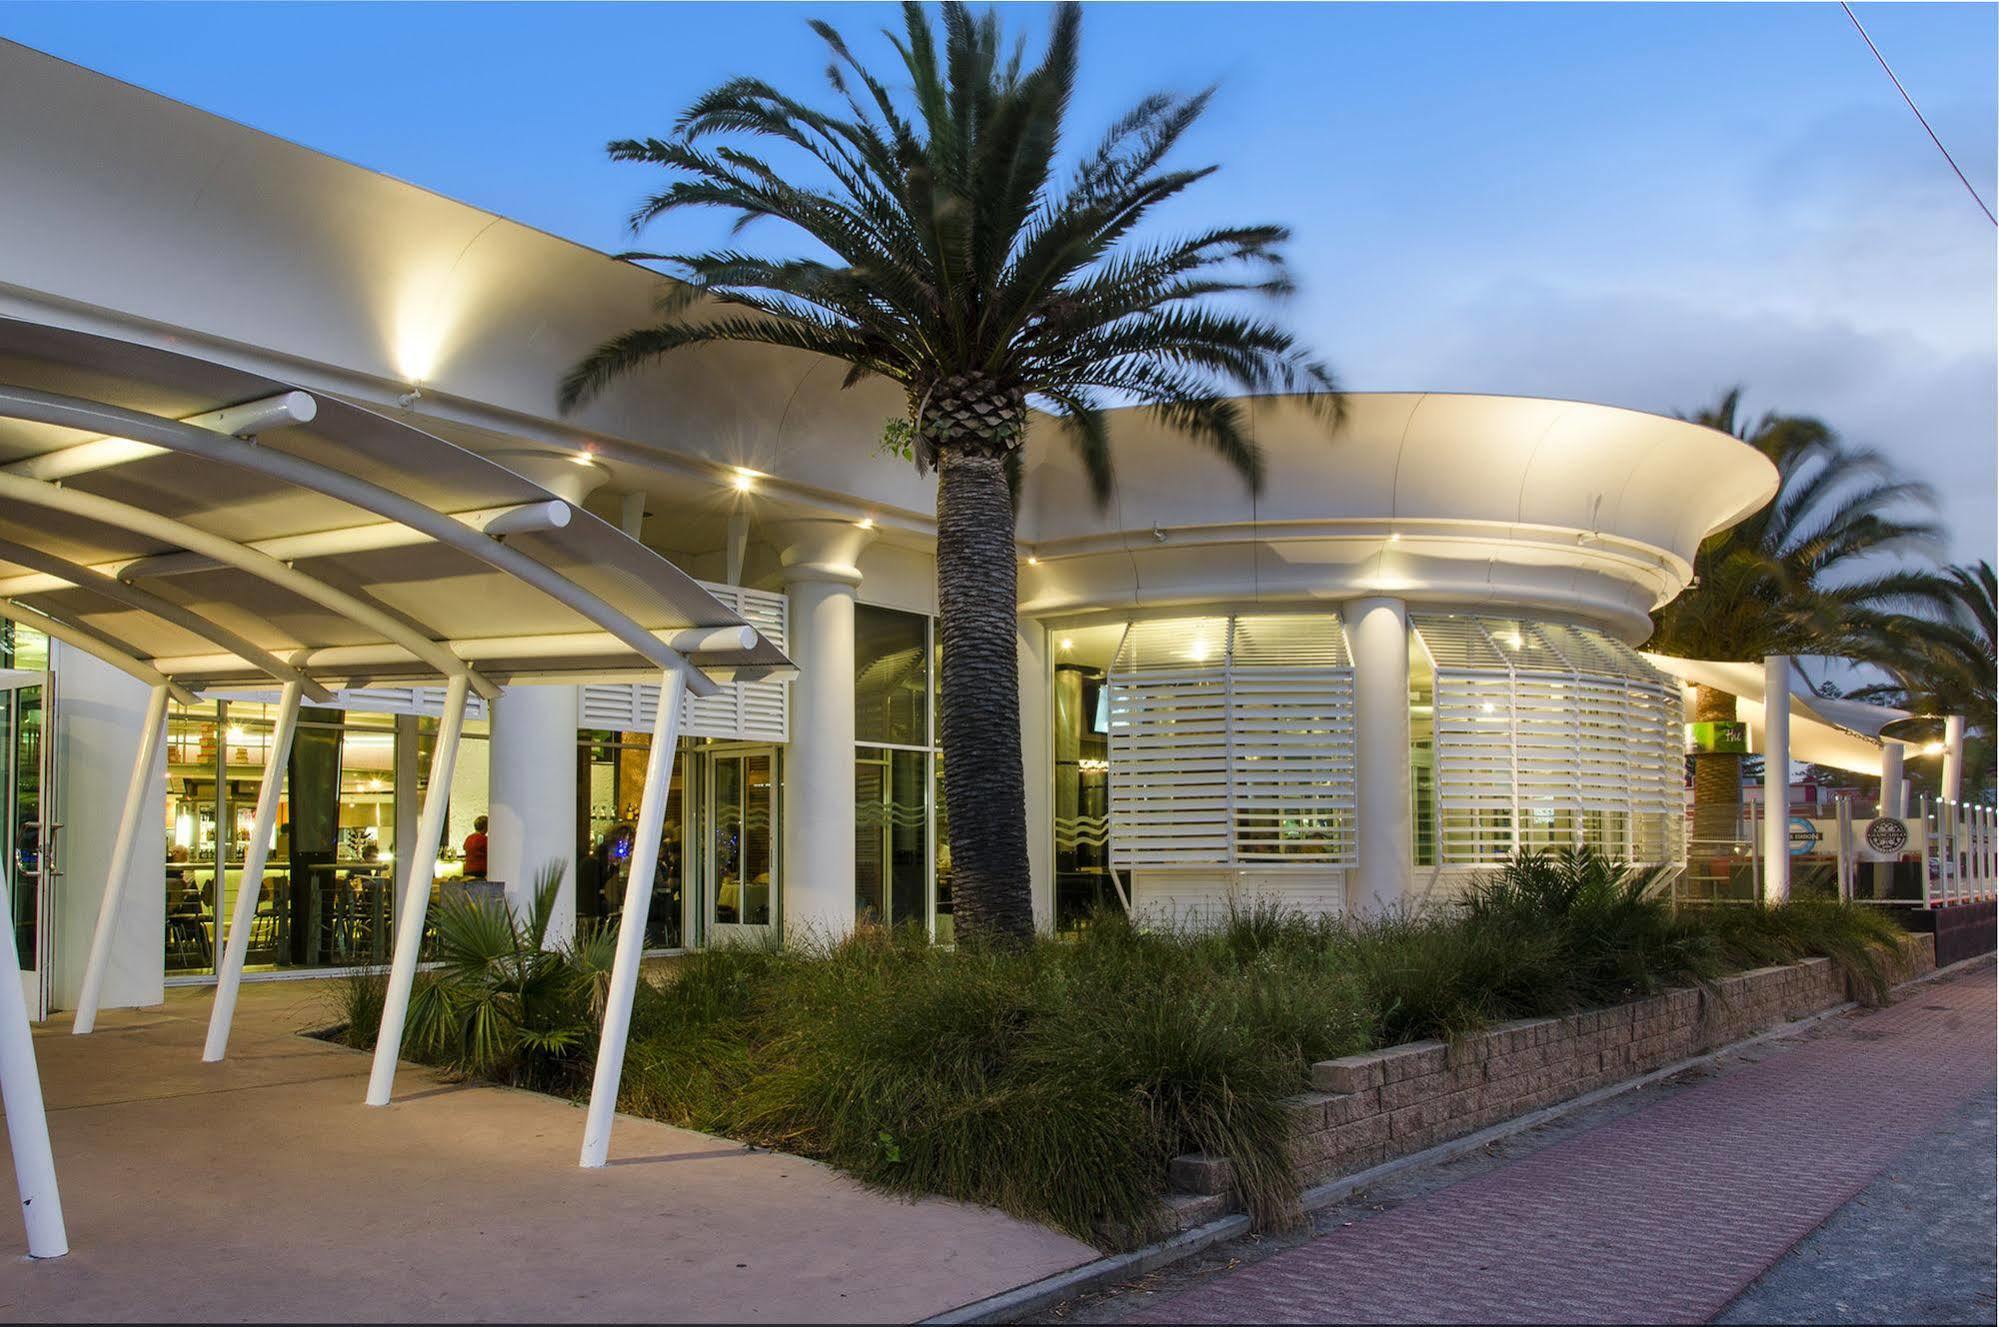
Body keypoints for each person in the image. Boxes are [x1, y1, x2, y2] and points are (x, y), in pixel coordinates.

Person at [462, 815, 489, 880]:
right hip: (480, 872)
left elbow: (465, 848)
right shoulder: (484, 839)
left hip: (467, 870)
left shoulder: (468, 838)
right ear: (485, 826)